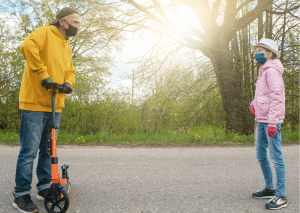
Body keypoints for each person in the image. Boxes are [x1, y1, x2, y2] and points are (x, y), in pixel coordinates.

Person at [13, 7, 80, 213]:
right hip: (34, 103)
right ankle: (21, 195)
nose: (78, 26)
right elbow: (27, 46)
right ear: (62, 22)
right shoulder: (44, 33)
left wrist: (69, 82)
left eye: (79, 22)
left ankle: (43, 188)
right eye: (74, 22)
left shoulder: (66, 44)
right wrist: (44, 75)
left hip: (55, 104)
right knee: (29, 151)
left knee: (48, 150)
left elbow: (70, 69)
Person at [250, 38, 287, 210]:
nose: (256, 54)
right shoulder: (263, 71)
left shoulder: (272, 71)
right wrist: (254, 104)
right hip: (261, 119)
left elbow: (277, 98)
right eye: (256, 50)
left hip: (270, 121)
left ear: (269, 53)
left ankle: (280, 196)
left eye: (260, 51)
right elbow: (263, 95)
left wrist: (273, 122)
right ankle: (270, 188)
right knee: (260, 154)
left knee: (276, 157)